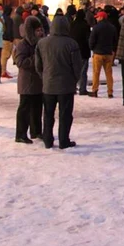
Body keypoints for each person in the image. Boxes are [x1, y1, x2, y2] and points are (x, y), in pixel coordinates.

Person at [35, 16, 83, 149]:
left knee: (48, 114)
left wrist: (44, 76)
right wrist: (74, 79)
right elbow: (77, 66)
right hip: (66, 85)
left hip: (48, 84)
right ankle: (63, 140)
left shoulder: (42, 43)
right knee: (65, 115)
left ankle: (48, 140)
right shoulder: (71, 43)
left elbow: (38, 65)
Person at [14, 16, 44, 143]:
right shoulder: (22, 45)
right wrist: (36, 58)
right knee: (24, 109)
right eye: (37, 30)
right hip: (27, 82)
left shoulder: (41, 43)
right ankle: (20, 134)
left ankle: (36, 131)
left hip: (38, 82)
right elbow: (20, 62)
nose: (40, 32)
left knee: (37, 108)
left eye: (41, 30)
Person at [88, 11, 117, 98]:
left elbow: (91, 40)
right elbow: (115, 40)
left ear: (101, 17)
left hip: (98, 53)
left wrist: (92, 48)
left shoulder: (96, 28)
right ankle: (110, 92)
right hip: (108, 53)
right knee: (109, 73)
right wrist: (112, 50)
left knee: (96, 73)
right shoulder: (112, 27)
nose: (96, 19)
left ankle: (95, 90)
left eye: (97, 17)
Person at [70, 10, 91, 96]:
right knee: (83, 71)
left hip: (73, 50)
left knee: (72, 70)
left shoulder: (72, 25)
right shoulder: (85, 26)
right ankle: (82, 89)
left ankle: (72, 88)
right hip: (83, 51)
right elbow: (88, 38)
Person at [1, 5, 15, 78]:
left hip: (1, 39)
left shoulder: (1, 18)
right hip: (7, 39)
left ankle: (2, 70)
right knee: (5, 56)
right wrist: (11, 39)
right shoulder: (9, 20)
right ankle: (3, 72)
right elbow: (9, 30)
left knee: (2, 55)